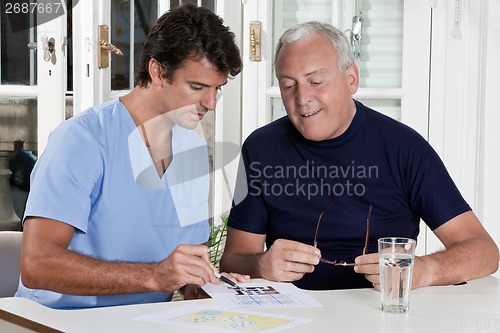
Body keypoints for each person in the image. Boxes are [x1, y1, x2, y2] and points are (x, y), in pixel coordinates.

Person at [219, 21, 499, 291]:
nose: (302, 98)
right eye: (288, 85)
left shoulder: (404, 147)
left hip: (381, 313)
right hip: (293, 314)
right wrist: (261, 265)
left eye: (316, 81)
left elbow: (484, 251)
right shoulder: (261, 148)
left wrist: (424, 270)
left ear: (351, 79)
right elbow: (233, 259)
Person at [16, 4, 248, 309]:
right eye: (197, 87)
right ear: (157, 71)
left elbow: (188, 278)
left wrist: (216, 287)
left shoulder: (190, 151)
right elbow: (37, 265)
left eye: (217, 89)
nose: (210, 103)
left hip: (144, 323)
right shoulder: (83, 140)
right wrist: (154, 276)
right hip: (57, 321)